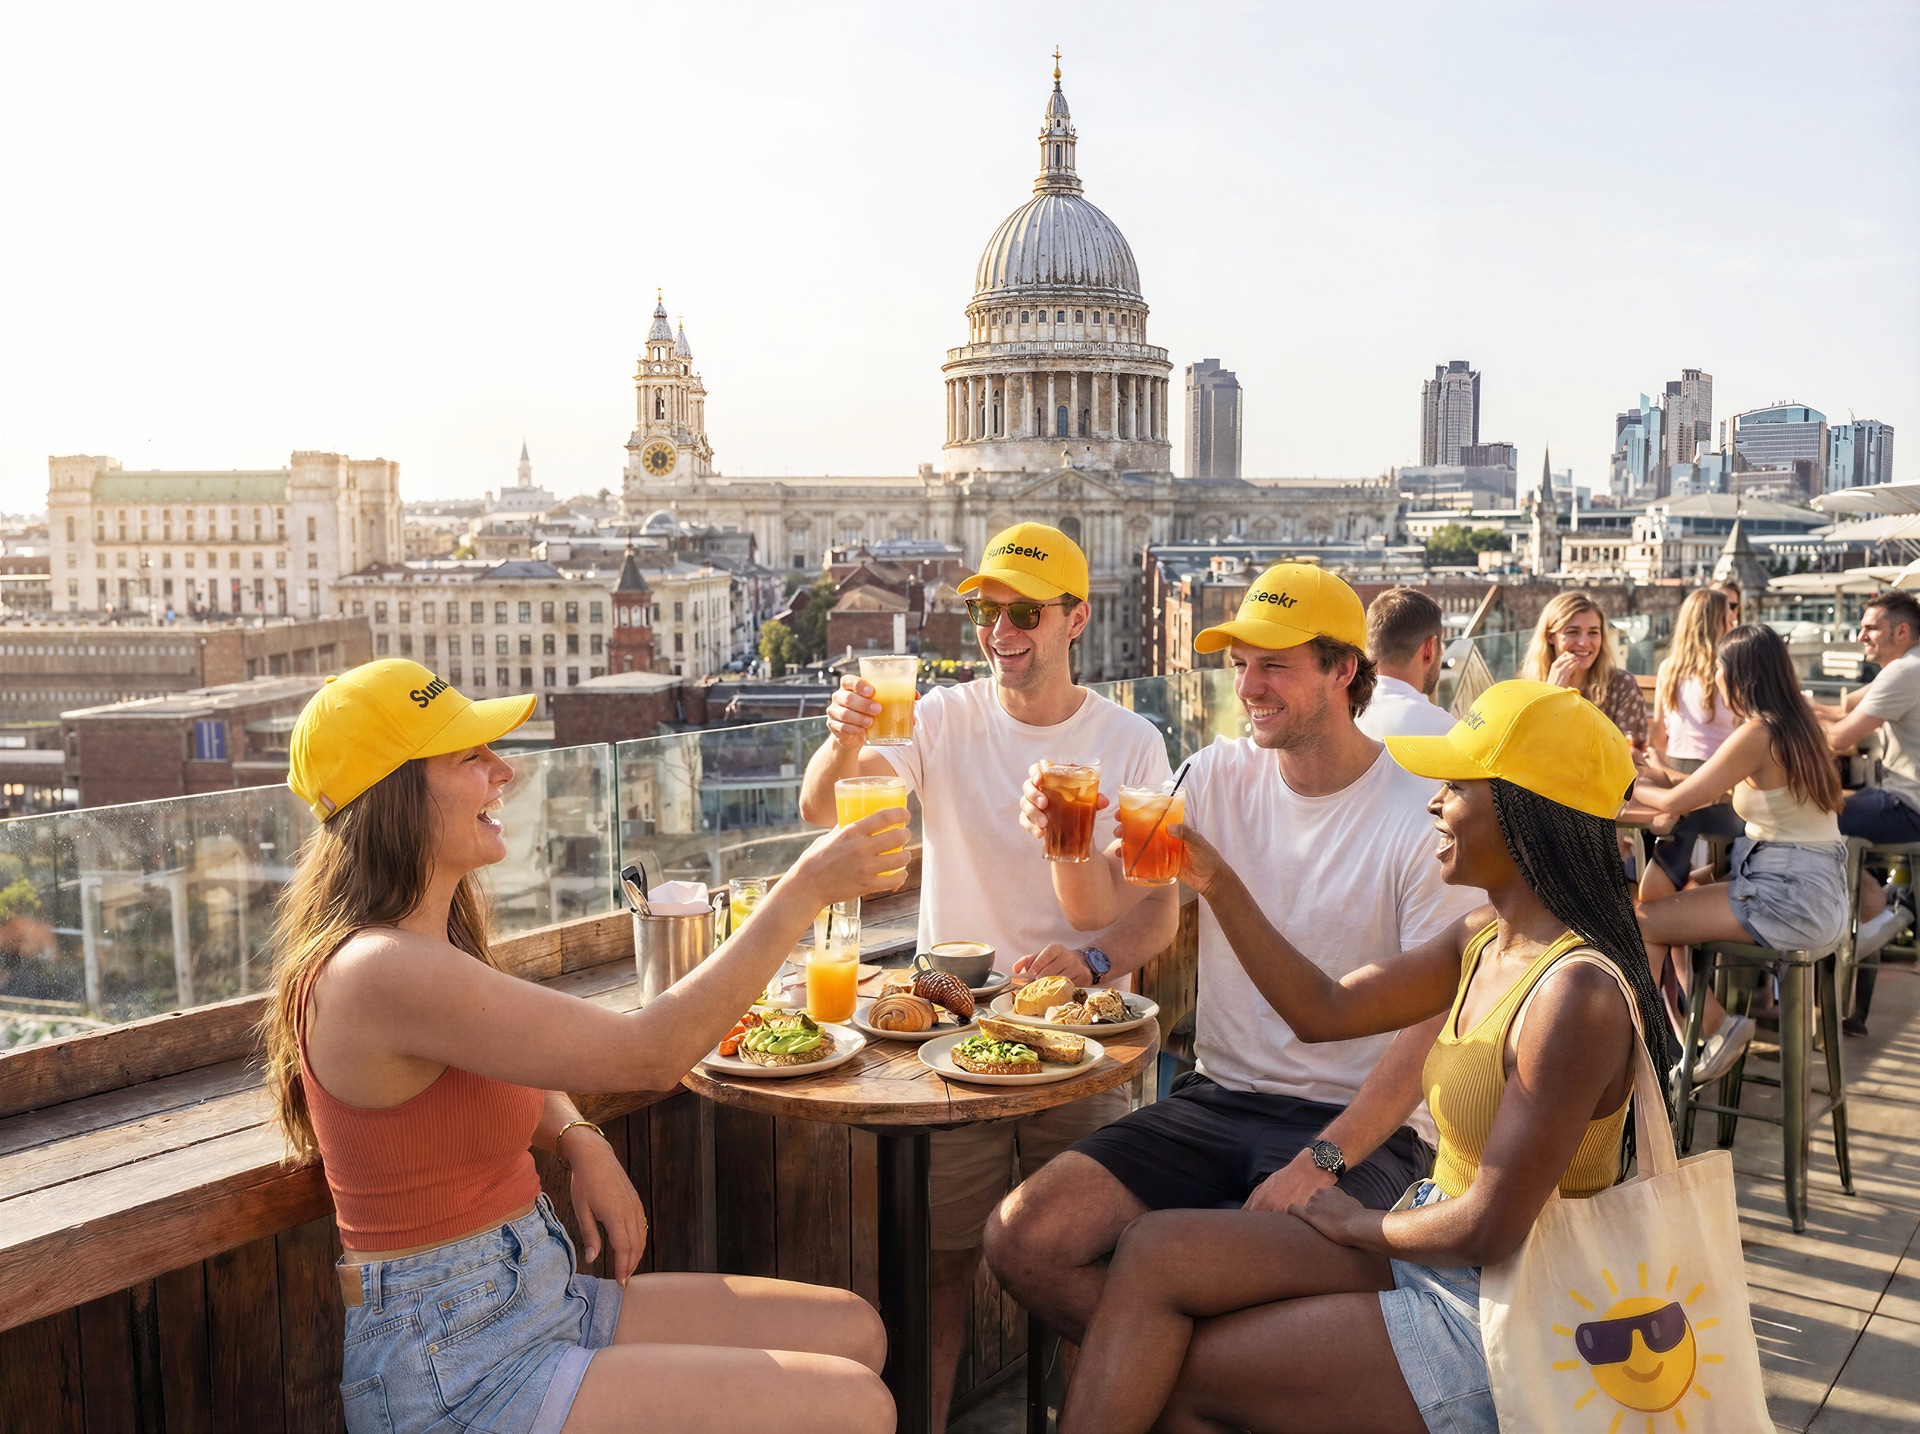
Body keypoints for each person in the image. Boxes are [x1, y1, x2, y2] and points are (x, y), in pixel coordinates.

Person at [261, 659, 901, 1434]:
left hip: (534, 1298)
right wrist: (802, 890)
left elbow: (520, 1063)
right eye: (469, 757)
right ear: (394, 795)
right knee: (856, 1408)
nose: (504, 772)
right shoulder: (378, 972)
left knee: (856, 1332)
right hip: (457, 1367)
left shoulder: (424, 952)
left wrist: (577, 1136)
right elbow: (650, 1054)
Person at [1053, 680, 1665, 1434]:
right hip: (1431, 1242)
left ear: (1526, 815)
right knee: (1152, 1253)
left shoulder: (1577, 996)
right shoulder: (1484, 934)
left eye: (1456, 786)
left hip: (1502, 1305)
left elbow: (1489, 1230)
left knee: (1181, 1369)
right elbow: (1324, 1010)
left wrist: (1351, 1223)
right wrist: (1212, 878)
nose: (1434, 804)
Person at [987, 563, 1483, 1351]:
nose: (1249, 685)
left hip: (1363, 1129)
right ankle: (1199, 1392)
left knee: (1233, 1311)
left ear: (1343, 669)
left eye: (1274, 664)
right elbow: (1109, 911)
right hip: (1216, 1099)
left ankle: (1184, 1382)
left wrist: (1323, 1159)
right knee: (1022, 1237)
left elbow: (1432, 1028)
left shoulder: (1418, 812)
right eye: (1240, 664)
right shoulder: (1214, 774)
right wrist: (1061, 838)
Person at [797, 522, 1179, 1430]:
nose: (1001, 630)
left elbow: (1159, 911)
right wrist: (843, 741)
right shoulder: (938, 716)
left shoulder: (1132, 742)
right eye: (986, 611)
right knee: (937, 1266)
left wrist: (1088, 960)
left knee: (1089, 1262)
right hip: (953, 1036)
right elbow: (825, 811)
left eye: (1025, 612)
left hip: (1079, 1046)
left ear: (1076, 619)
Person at [1633, 624, 1851, 1083]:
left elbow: (1678, 804)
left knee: (1644, 921)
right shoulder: (1799, 725)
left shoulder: (1758, 732)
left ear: (1739, 675)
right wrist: (1659, 774)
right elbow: (1708, 789)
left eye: (1720, 667)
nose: (1714, 675)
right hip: (1815, 889)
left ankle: (1644, 1060)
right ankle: (1705, 1031)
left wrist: (1624, 786)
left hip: (1788, 893)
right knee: (1684, 893)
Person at [1812, 589, 1920, 1033]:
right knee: (1823, 831)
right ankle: (1875, 907)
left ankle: (1872, 913)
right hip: (1903, 799)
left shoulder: (1905, 671)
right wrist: (1793, 705)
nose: (1860, 636)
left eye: (1870, 627)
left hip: (1908, 805)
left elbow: (1838, 738)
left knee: (1807, 824)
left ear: (1901, 631)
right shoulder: (1905, 668)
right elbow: (1840, 711)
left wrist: (1767, 734)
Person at [1521, 590, 1647, 749]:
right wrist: (1551, 695)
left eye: (1593, 633)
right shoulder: (1529, 687)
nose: (1583, 642)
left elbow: (1629, 752)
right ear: (1550, 637)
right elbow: (1528, 749)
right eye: (1572, 632)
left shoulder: (1621, 685)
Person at [1356, 586, 1456, 740]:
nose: (1442, 653)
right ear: (1429, 649)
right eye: (1440, 647)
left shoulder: (1346, 712)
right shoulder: (1445, 731)